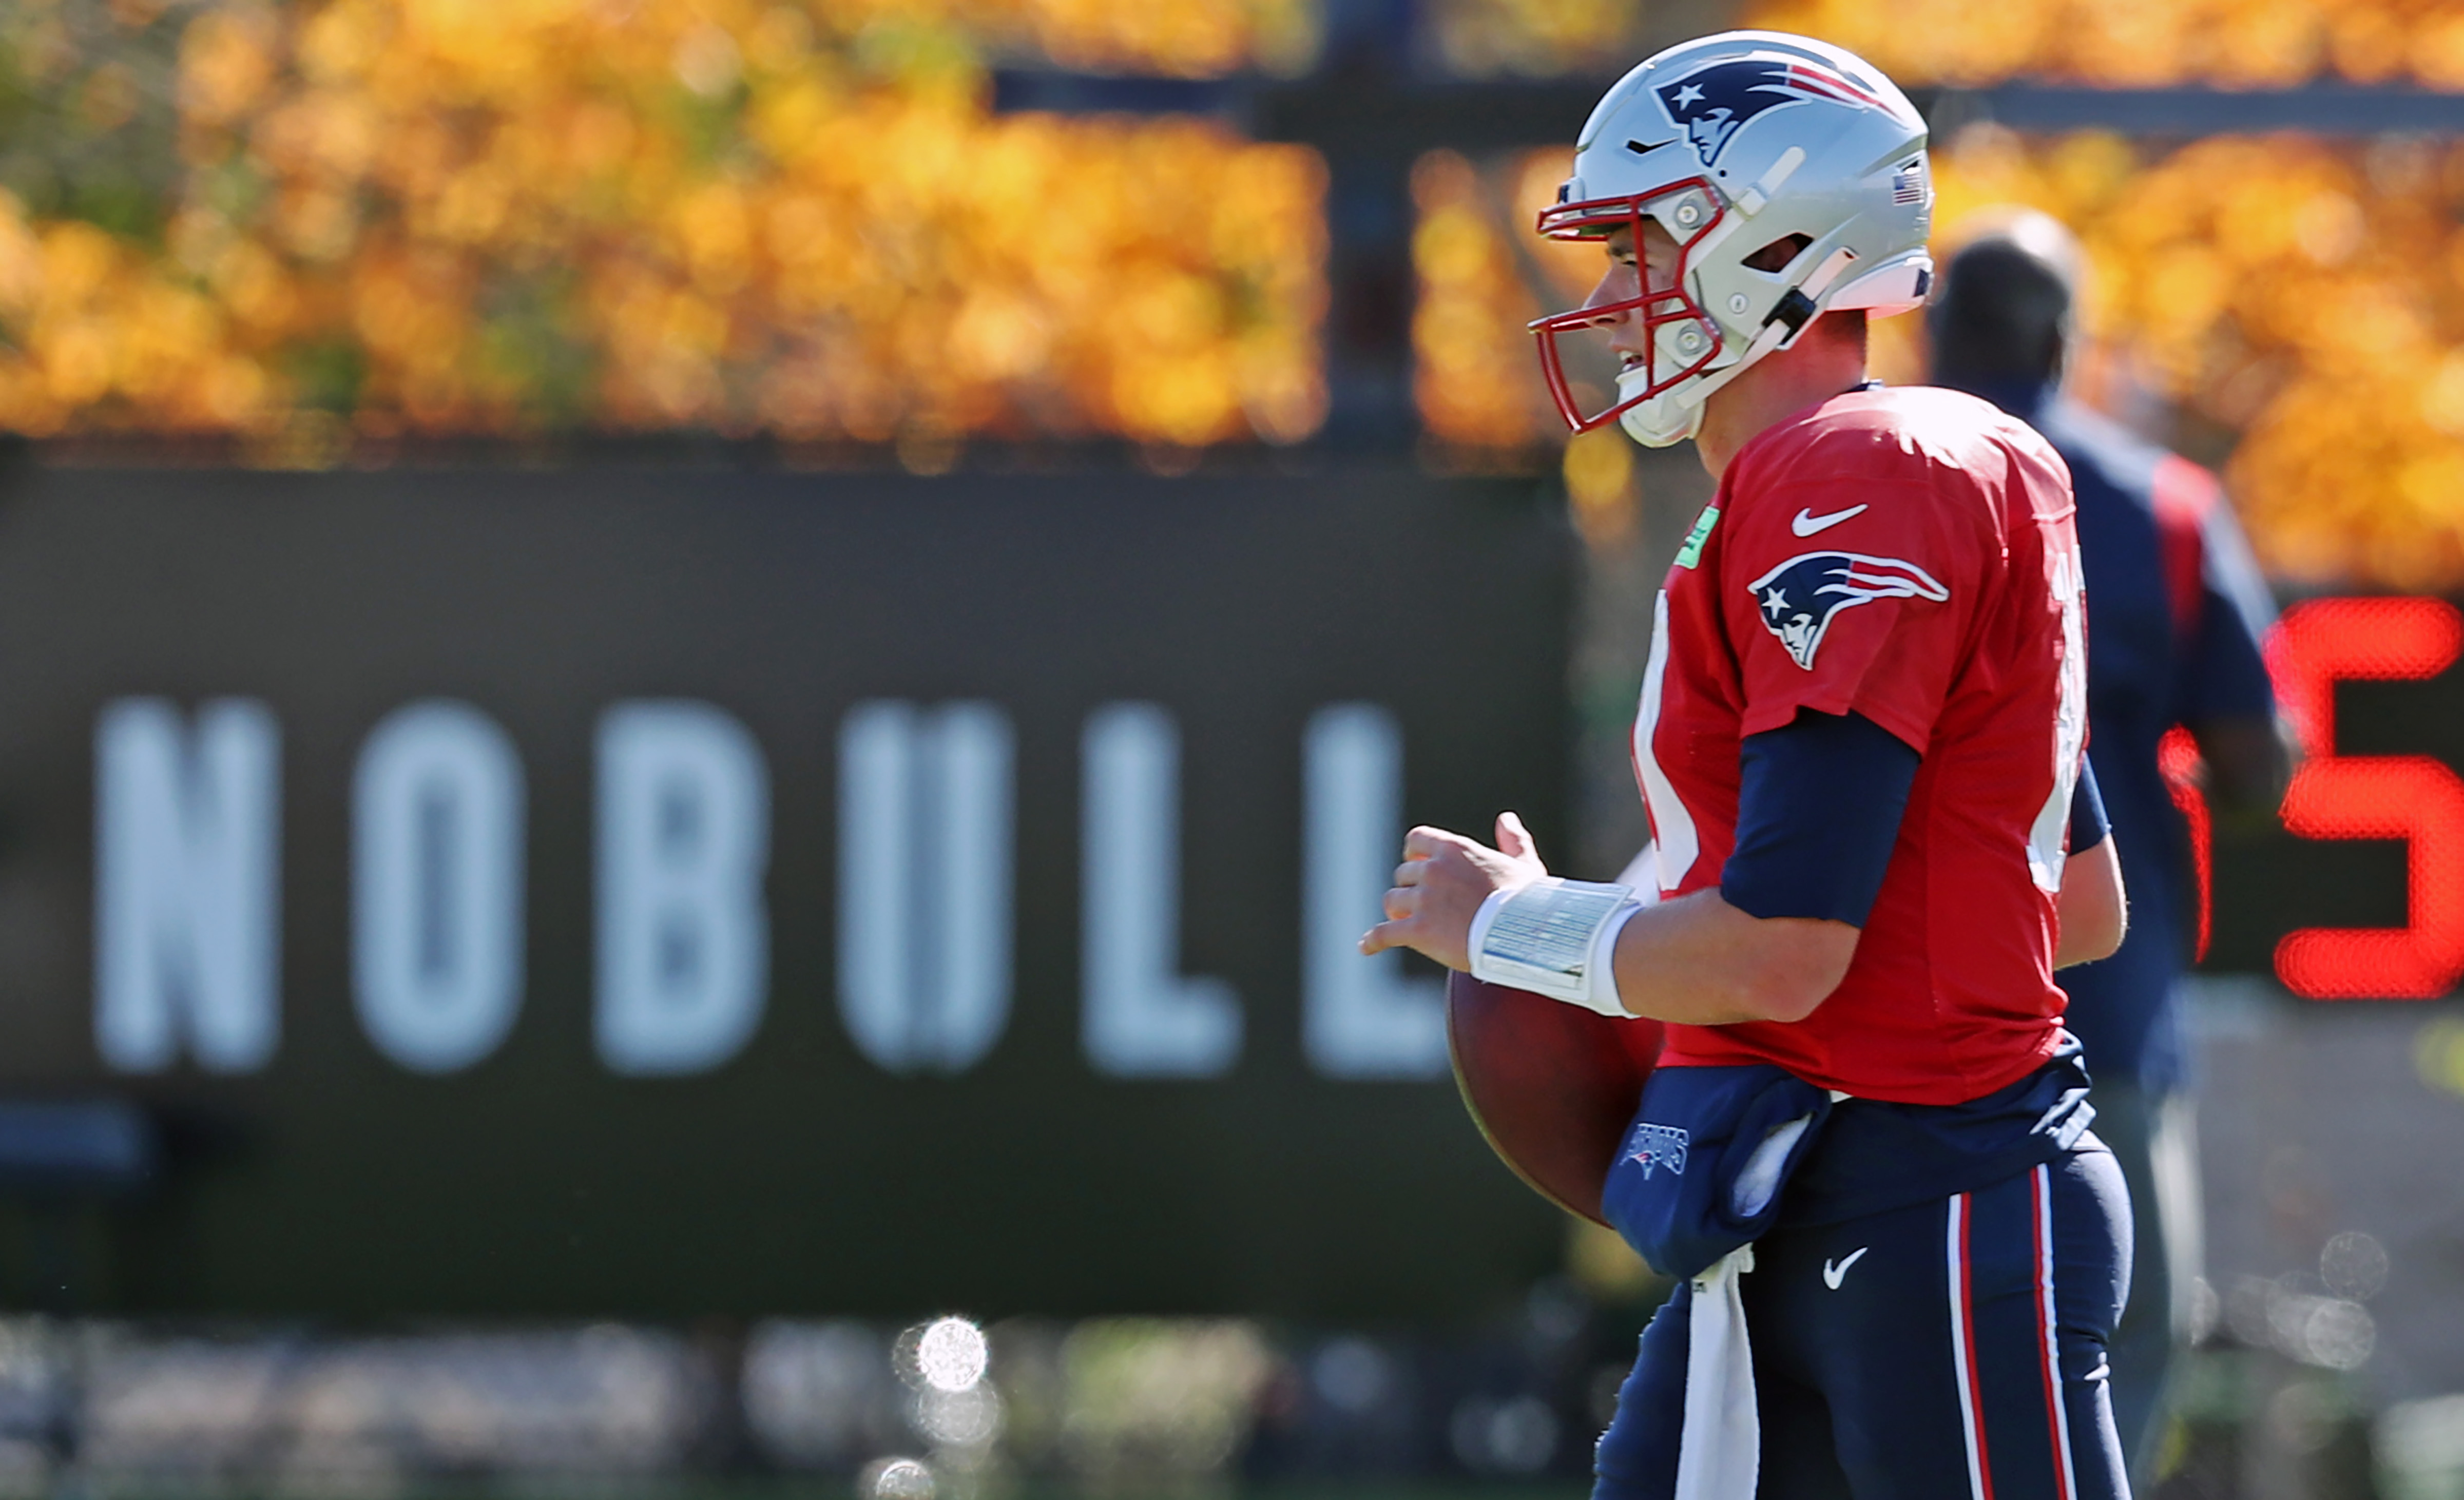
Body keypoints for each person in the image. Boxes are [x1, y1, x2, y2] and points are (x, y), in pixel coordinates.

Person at [1362, 30, 2136, 1500]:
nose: (1606, 297)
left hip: (1937, 1207)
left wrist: (1511, 927)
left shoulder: (1850, 481)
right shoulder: (1871, 478)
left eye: (1642, 243)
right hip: (1813, 1208)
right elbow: (2076, 905)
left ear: (1769, 243)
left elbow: (1784, 954)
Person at [1929, 212, 2290, 1488]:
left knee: (1903, 1333)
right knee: (2123, 1333)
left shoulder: (1855, 490)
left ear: (1932, 327)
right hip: (2103, 1003)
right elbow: (2261, 763)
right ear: (2066, 339)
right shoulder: (2165, 509)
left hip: (1877, 999)